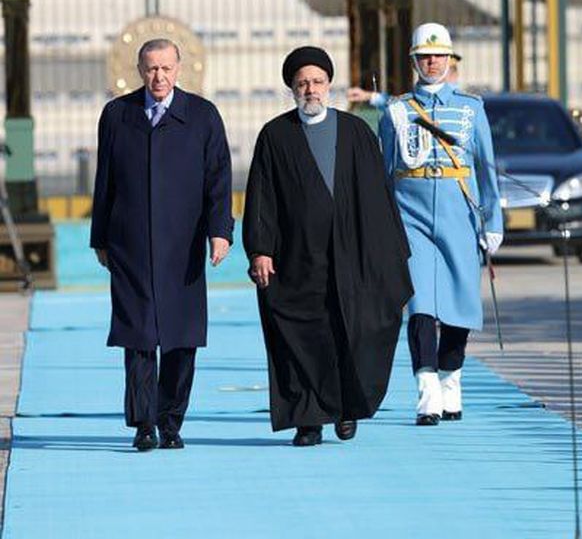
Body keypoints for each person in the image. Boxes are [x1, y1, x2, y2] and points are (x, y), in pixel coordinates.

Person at [243, 46, 413, 446]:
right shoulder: (275, 135)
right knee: (301, 337)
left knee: (351, 333)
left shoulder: (356, 134)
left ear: (329, 85)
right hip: (297, 259)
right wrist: (260, 249)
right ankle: (308, 419)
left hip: (351, 257)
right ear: (292, 88)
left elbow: (379, 201)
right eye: (302, 83)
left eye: (317, 82)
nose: (310, 89)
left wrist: (391, 262)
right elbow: (261, 198)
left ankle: (346, 408)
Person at [90, 38, 233, 452]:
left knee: (181, 337)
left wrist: (220, 231)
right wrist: (100, 236)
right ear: (139, 69)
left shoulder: (203, 116)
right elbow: (105, 182)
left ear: (178, 68)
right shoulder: (117, 115)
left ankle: (171, 421)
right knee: (137, 336)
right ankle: (143, 424)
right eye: (151, 69)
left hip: (182, 247)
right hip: (130, 245)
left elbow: (219, 180)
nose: (159, 77)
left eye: (166, 68)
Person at [378, 23, 503, 426]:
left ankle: (451, 378)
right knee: (419, 305)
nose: (432, 62)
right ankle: (427, 390)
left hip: (458, 214)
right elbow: (384, 170)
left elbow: (487, 170)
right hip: (409, 214)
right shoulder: (396, 111)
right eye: (424, 56)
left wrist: (493, 220)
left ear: (450, 60)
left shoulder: (471, 108)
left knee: (459, 305)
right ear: (414, 60)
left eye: (439, 55)